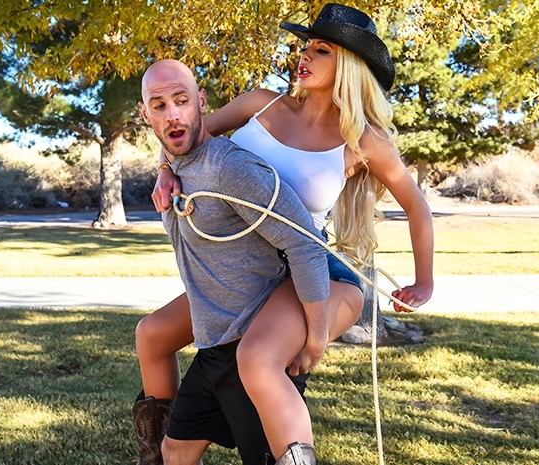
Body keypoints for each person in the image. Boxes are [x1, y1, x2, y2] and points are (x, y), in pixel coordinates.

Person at [136, 3, 435, 464]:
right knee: (153, 334)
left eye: (321, 50)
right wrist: (163, 172)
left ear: (350, 66)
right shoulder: (262, 103)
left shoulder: (363, 139)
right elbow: (185, 133)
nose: (304, 56)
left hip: (314, 271)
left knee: (256, 358)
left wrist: (424, 282)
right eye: (305, 47)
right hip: (253, 267)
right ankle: (160, 454)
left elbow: (417, 206)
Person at [137, 58, 331, 465]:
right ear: (145, 114)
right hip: (213, 345)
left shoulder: (231, 168)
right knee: (172, 452)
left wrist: (316, 337)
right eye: (159, 106)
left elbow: (305, 245)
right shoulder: (177, 165)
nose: (172, 115)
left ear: (201, 102)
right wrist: (164, 167)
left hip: (250, 344)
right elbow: (171, 141)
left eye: (182, 101)